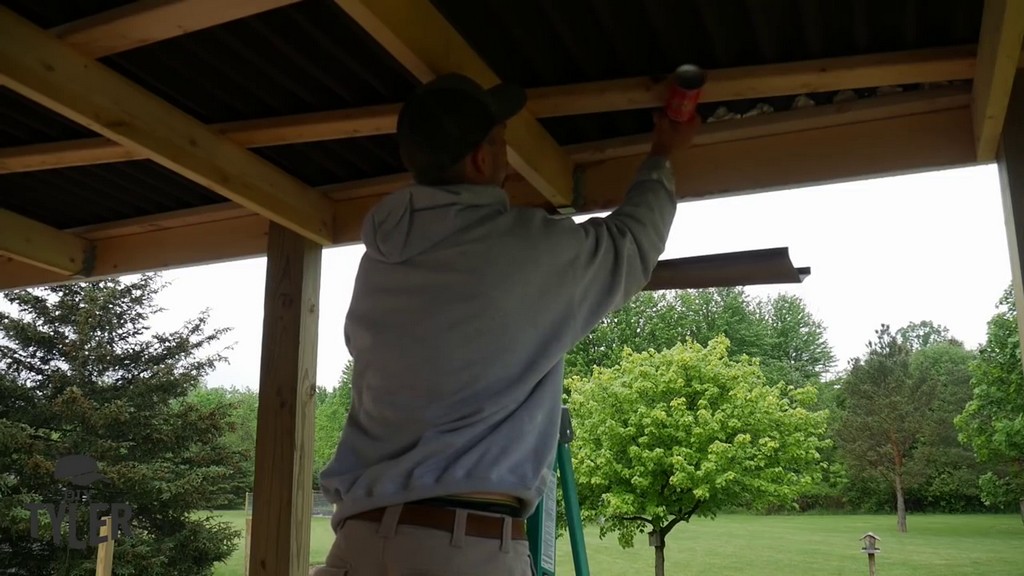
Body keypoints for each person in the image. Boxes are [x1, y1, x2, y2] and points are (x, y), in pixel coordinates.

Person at [314, 72, 699, 575]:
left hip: (358, 545)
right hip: (462, 550)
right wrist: (662, 154)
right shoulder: (526, 248)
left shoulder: (380, 261)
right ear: (481, 159)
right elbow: (631, 243)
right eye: (501, 142)